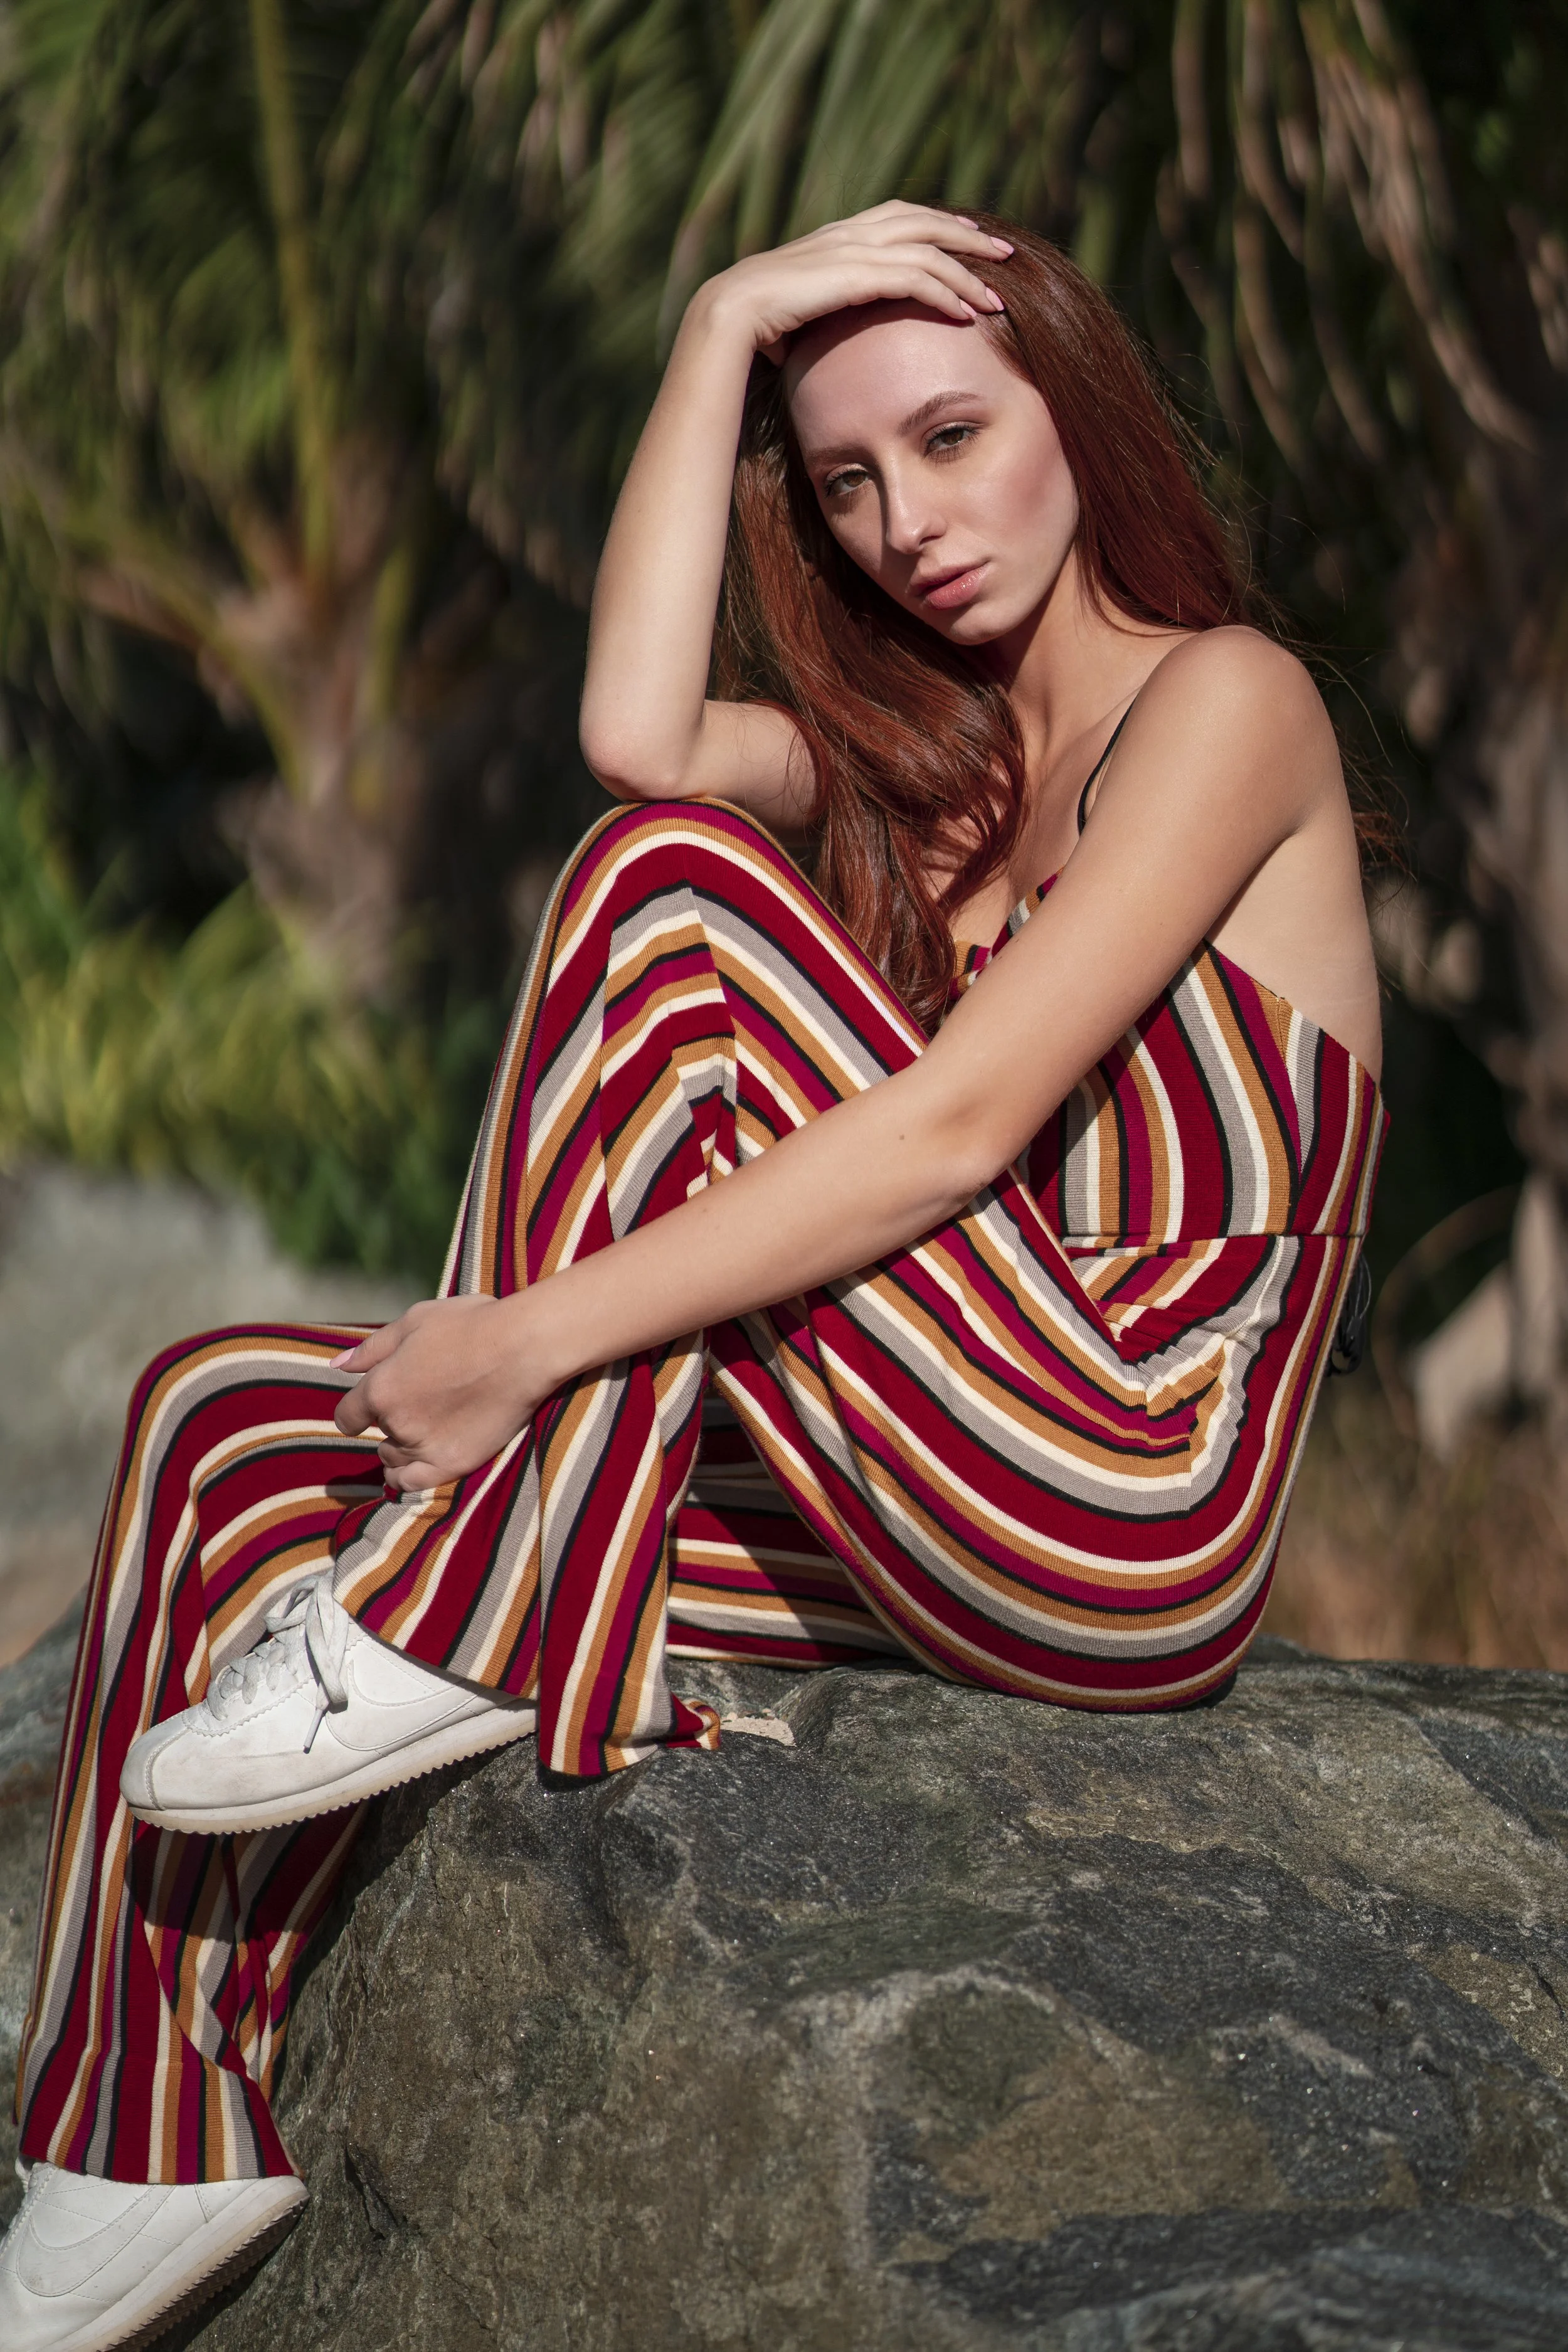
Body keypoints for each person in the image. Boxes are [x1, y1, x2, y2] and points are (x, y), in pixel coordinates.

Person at [0, 203, 1384, 2348]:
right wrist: (722, 324)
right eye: (845, 481)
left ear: (1078, 418)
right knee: (212, 1418)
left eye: (948, 436)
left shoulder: (1230, 705)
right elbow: (642, 730)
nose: (906, 522)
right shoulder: (933, 777)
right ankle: (139, 2131)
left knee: (671, 901)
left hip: (1128, 1496)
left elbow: (949, 1130)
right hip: (926, 1468)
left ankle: (453, 1598)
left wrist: (523, 1341)